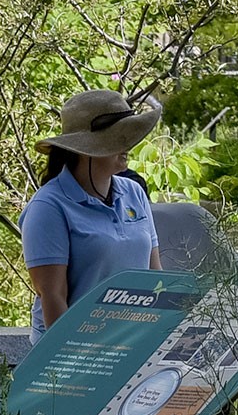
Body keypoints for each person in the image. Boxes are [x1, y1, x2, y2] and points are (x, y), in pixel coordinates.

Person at [21, 89, 164, 343]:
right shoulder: (48, 206)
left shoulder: (134, 193)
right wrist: (76, 362)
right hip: (75, 352)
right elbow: (53, 298)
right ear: (86, 149)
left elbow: (155, 277)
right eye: (118, 137)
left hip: (131, 345)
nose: (128, 145)